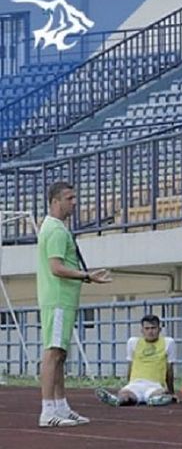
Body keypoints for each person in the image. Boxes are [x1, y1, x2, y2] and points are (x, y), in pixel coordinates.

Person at [37, 181, 112, 427]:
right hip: (58, 298)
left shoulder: (54, 228)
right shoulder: (57, 231)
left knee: (60, 354)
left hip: (62, 298)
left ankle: (60, 406)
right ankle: (48, 410)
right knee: (53, 353)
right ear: (55, 201)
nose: (74, 202)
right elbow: (56, 267)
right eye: (70, 198)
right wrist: (86, 275)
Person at [95, 315, 176, 407]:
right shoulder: (133, 342)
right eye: (147, 328)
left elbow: (170, 370)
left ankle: (154, 399)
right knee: (125, 396)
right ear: (142, 330)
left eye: (153, 328)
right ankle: (117, 400)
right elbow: (130, 366)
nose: (150, 331)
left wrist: (171, 392)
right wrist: (129, 384)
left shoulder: (168, 343)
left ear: (159, 329)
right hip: (135, 384)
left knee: (159, 394)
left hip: (155, 385)